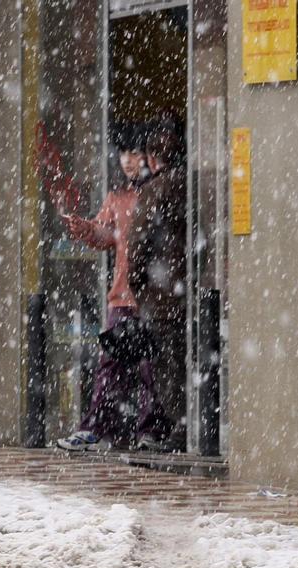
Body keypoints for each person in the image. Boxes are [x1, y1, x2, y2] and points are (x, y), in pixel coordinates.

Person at [56, 125, 159, 451]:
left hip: (153, 296)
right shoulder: (118, 197)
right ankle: (97, 428)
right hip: (122, 295)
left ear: (149, 155)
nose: (128, 161)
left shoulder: (158, 191)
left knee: (150, 367)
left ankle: (149, 431)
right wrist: (85, 228)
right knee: (110, 367)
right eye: (124, 154)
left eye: (135, 153)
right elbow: (105, 236)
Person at [124, 115, 188, 452]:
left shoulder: (153, 191)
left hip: (161, 295)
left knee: (166, 365)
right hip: (188, 292)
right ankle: (195, 427)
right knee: (187, 359)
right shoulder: (190, 185)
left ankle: (180, 429)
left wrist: (136, 284)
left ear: (151, 159)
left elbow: (138, 244)